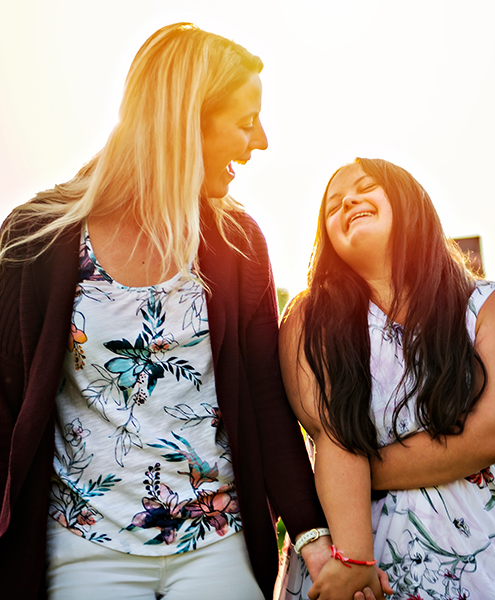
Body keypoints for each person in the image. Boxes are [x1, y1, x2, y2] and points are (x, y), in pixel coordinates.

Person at [0, 22, 339, 600]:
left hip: (216, 546)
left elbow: (264, 397)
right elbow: (6, 394)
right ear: (187, 119)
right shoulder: (37, 238)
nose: (259, 142)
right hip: (83, 550)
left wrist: (313, 538)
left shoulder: (239, 243)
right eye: (243, 121)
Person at [276, 158, 495, 600]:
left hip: (485, 575)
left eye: (366, 187)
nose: (348, 201)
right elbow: (330, 433)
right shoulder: (308, 321)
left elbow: (490, 437)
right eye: (333, 205)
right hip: (354, 579)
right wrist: (354, 562)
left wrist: (350, 474)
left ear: (408, 200)